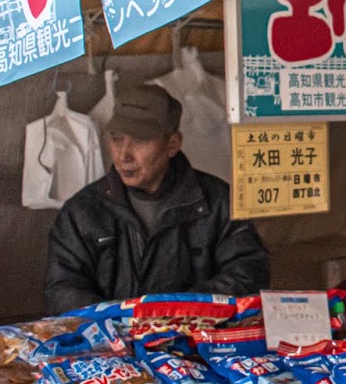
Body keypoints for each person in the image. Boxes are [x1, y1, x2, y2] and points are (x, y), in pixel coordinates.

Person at [44, 83, 271, 313]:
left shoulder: (217, 202)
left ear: (173, 144)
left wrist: (172, 312)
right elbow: (63, 289)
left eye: (140, 140)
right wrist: (121, 322)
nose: (124, 155)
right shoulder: (83, 211)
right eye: (117, 138)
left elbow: (248, 272)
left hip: (195, 342)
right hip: (111, 344)